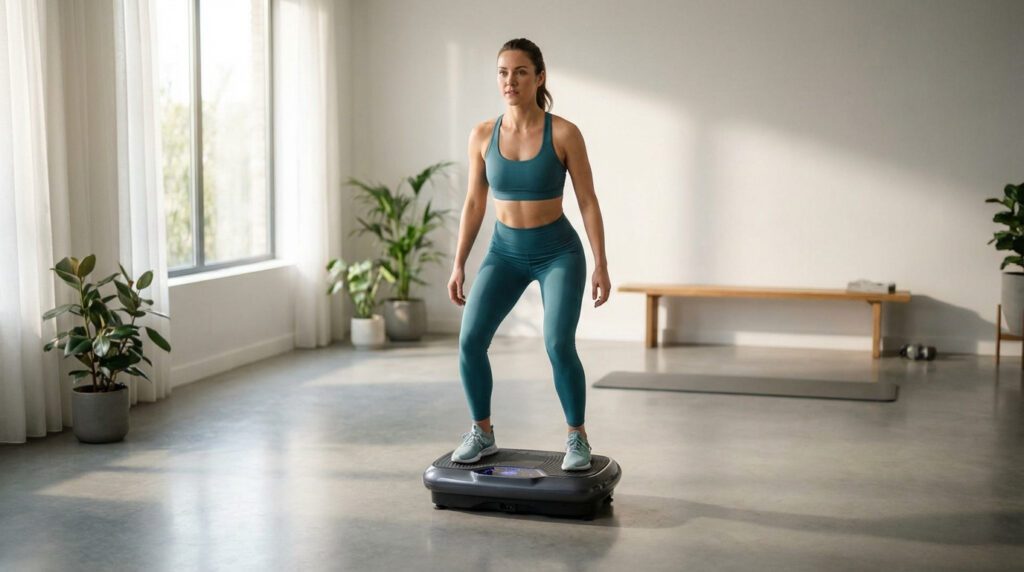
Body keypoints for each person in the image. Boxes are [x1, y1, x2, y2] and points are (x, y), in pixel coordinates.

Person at [446, 38, 610, 471]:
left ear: (539, 77)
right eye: (503, 71)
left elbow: (588, 201)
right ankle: (482, 432)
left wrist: (601, 263)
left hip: (558, 252)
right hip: (505, 252)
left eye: (520, 72)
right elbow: (474, 204)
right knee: (470, 340)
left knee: (557, 342)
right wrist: (459, 261)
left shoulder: (565, 133)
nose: (510, 80)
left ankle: (578, 437)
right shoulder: (483, 134)